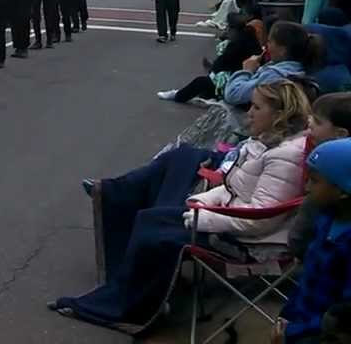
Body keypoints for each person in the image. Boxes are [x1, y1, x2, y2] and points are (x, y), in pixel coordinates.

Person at [53, 80, 312, 333]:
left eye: (257, 108)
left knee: (154, 223)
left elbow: (258, 220)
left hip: (249, 243)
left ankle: (128, 309)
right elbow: (234, 188)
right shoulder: (265, 143)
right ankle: (121, 296)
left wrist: (204, 216)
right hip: (229, 221)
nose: (249, 112)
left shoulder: (283, 155)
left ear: (280, 114)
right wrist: (200, 202)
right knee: (151, 216)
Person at [275, 138, 351, 343]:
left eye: (314, 180)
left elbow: (342, 316)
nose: (306, 187)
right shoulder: (325, 219)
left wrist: (292, 334)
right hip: (300, 320)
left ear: (343, 190)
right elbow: (307, 277)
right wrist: (287, 317)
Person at [288, 93, 351, 260]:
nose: (309, 123)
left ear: (341, 133)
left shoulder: (323, 195)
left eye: (317, 121)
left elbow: (297, 241)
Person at [156, 13, 265, 103]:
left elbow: (222, 63)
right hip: (243, 78)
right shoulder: (249, 39)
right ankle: (205, 93)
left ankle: (177, 96)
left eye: (228, 28)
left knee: (200, 82)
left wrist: (213, 69)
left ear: (234, 30)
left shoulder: (237, 44)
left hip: (238, 81)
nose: (226, 31)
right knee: (208, 82)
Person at [223, 20, 325, 109]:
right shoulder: (302, 70)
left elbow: (233, 94)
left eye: (270, 42)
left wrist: (246, 71)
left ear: (282, 50)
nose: (266, 46)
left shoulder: (275, 75)